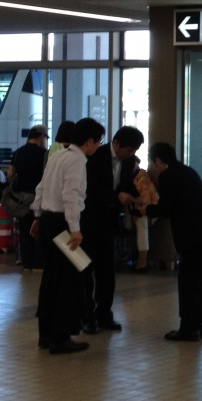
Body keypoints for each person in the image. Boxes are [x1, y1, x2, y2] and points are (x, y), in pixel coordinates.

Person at [30, 117, 105, 353]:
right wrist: (75, 229)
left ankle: (46, 334)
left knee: (51, 278)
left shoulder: (57, 155)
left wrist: (37, 217)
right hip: (63, 223)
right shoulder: (77, 161)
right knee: (67, 280)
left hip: (48, 221)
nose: (98, 147)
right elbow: (71, 196)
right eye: (98, 142)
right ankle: (60, 337)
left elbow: (41, 187)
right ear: (89, 141)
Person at [145, 141, 202, 341]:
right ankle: (196, 325)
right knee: (199, 283)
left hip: (196, 238)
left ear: (158, 160)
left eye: (152, 162)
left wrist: (145, 209)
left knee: (188, 283)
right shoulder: (187, 171)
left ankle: (189, 329)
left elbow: (166, 209)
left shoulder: (167, 176)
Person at [81, 125, 144, 334]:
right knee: (86, 268)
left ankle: (104, 314)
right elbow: (90, 188)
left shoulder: (129, 161)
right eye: (129, 150)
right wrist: (116, 196)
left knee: (107, 269)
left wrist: (135, 197)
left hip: (109, 220)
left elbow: (126, 184)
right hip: (89, 219)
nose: (131, 154)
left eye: (134, 151)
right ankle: (87, 316)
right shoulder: (95, 156)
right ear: (116, 144)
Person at [8, 126, 48, 270]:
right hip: (38, 197)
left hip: (21, 199)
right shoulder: (44, 153)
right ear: (41, 136)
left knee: (24, 231)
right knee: (39, 230)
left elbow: (10, 174)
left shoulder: (18, 152)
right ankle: (38, 263)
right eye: (46, 137)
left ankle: (26, 262)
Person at [131, 155, 158, 270]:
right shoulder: (140, 175)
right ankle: (141, 261)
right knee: (142, 231)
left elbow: (144, 199)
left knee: (142, 229)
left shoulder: (141, 177)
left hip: (144, 209)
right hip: (145, 207)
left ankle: (142, 262)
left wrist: (137, 212)